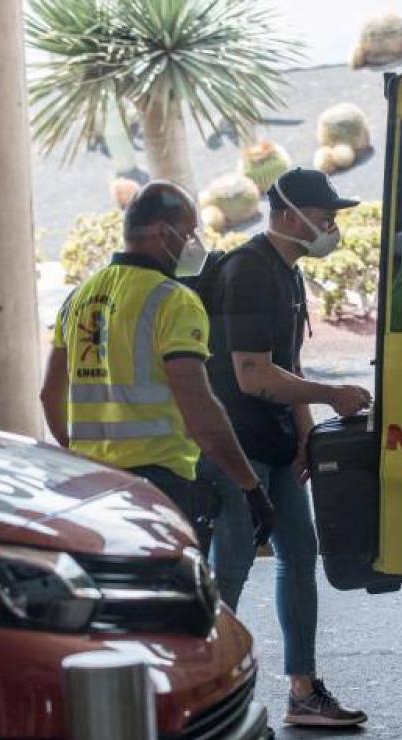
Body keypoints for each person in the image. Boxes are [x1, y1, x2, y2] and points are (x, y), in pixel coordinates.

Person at [200, 167, 370, 727]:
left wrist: (305, 436)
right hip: (236, 445)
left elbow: (286, 366)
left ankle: (303, 691)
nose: (332, 225)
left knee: (300, 555)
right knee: (231, 567)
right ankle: (209, 697)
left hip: (274, 444)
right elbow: (251, 376)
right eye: (324, 215)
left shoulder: (288, 274)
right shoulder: (249, 270)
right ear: (289, 214)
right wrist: (331, 395)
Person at [40, 181, 274, 556]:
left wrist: (77, 452)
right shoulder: (173, 299)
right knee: (174, 604)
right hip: (160, 488)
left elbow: (49, 395)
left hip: (95, 483)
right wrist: (251, 486)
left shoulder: (80, 296)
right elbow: (200, 410)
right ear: (162, 233)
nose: (192, 242)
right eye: (187, 232)